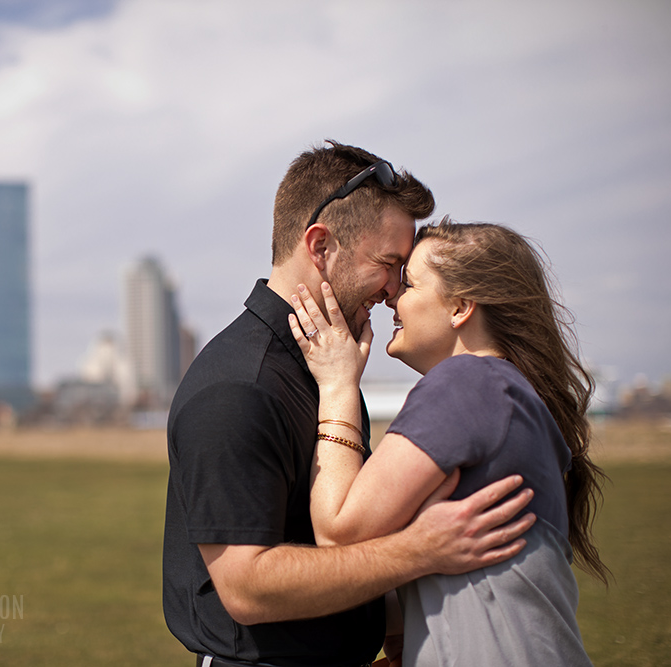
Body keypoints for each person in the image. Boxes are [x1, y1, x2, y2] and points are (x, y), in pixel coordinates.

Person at [163, 142, 538, 667]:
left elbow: (348, 545)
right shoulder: (239, 388)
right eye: (389, 264)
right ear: (320, 247)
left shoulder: (328, 368)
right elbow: (247, 588)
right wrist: (421, 550)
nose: (393, 291)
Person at [289, 219, 607, 665]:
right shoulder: (508, 393)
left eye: (411, 285)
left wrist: (339, 385)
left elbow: (340, 534)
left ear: (460, 306)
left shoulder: (468, 381)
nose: (392, 298)